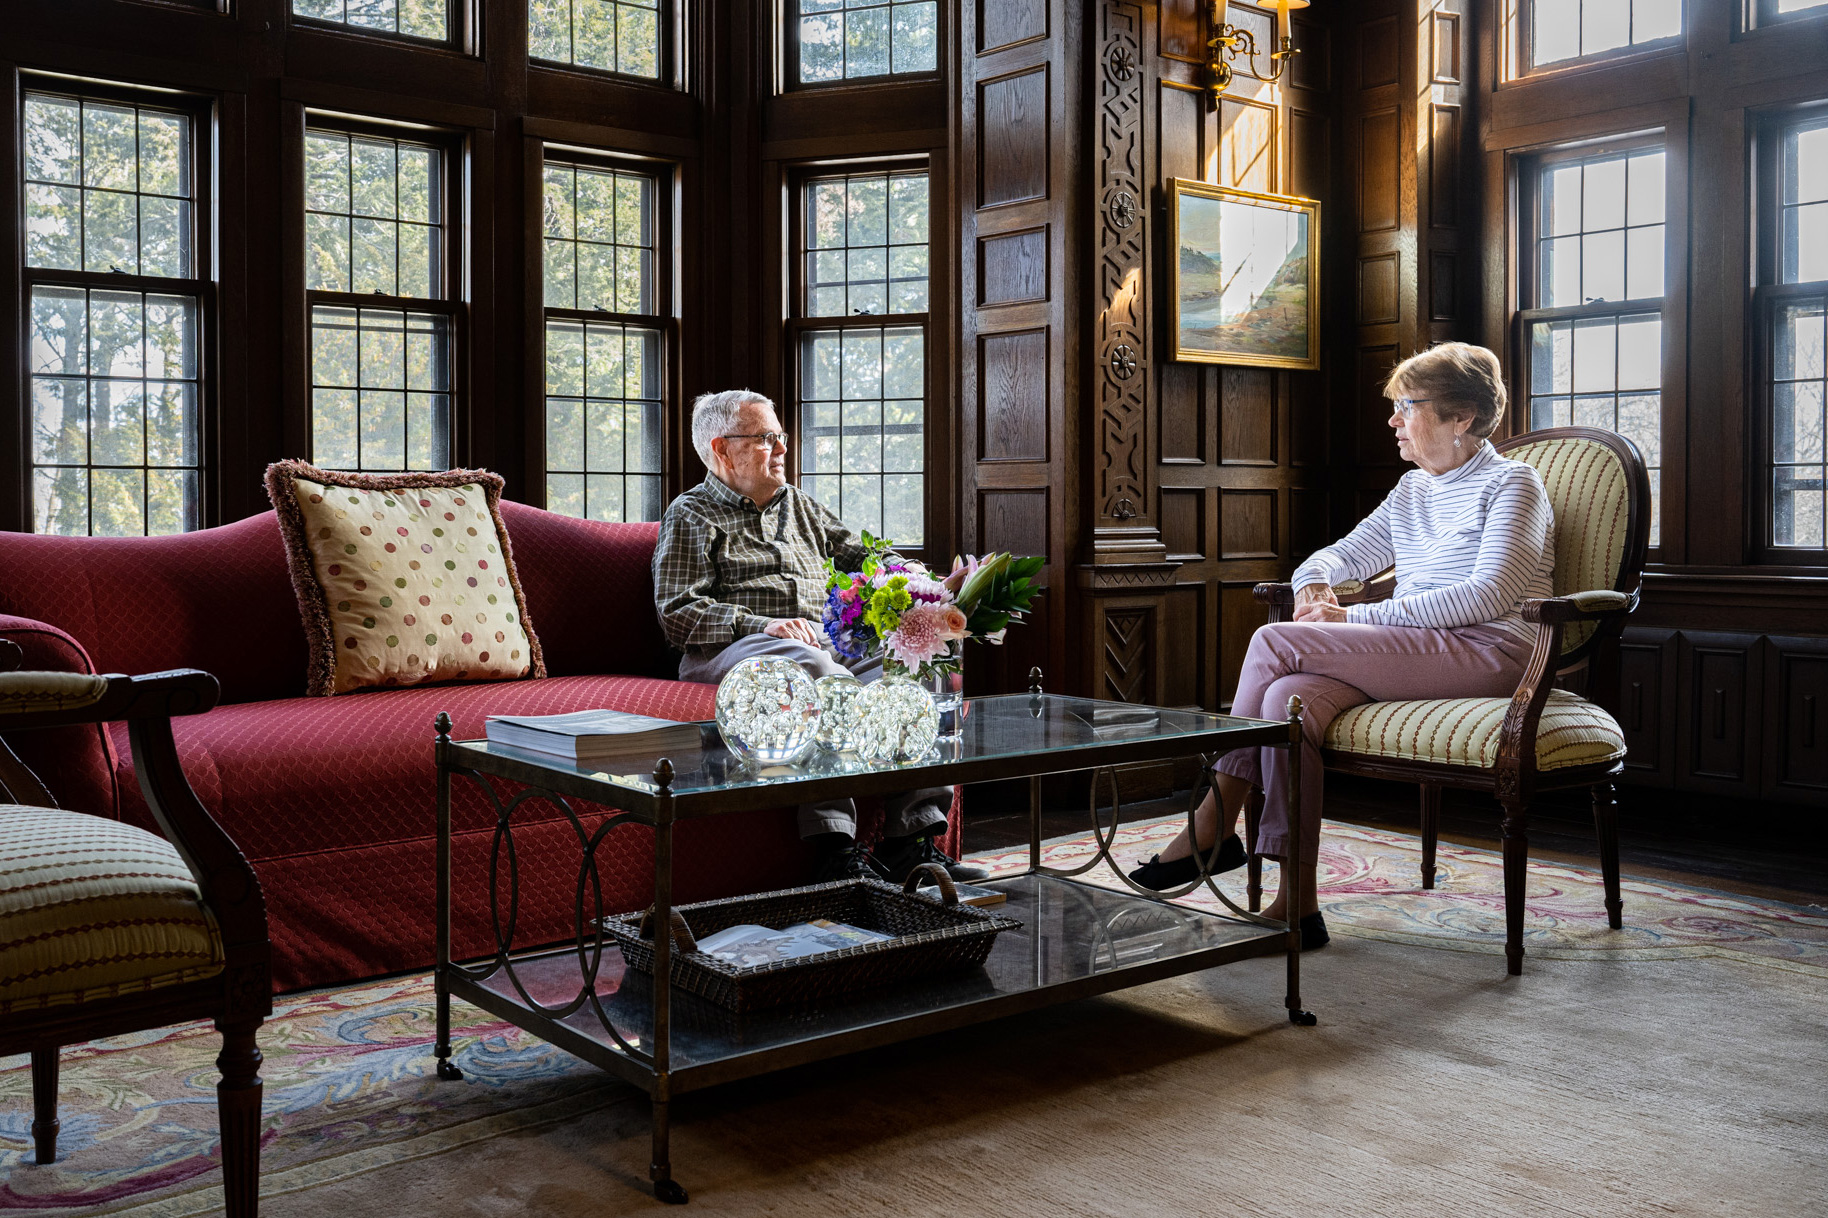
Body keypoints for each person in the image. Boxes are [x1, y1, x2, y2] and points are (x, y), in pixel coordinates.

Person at [1129, 343, 1556, 949]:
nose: (1393, 420)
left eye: (1407, 406)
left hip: (1492, 652)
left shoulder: (1514, 484)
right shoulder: (1414, 489)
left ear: (1461, 416)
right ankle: (1297, 904)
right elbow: (1336, 556)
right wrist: (1315, 584)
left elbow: (1486, 598)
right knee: (1288, 701)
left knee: (1273, 641)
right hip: (1415, 648)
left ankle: (1214, 818)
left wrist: (1352, 615)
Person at [653, 389, 987, 885]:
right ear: (722, 449)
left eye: (781, 436)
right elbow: (677, 612)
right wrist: (762, 624)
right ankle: (835, 848)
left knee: (918, 659)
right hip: (735, 649)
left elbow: (867, 557)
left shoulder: (800, 506)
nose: (783, 448)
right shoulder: (691, 514)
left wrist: (927, 583)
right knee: (816, 671)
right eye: (767, 438)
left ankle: (911, 840)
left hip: (822, 641)